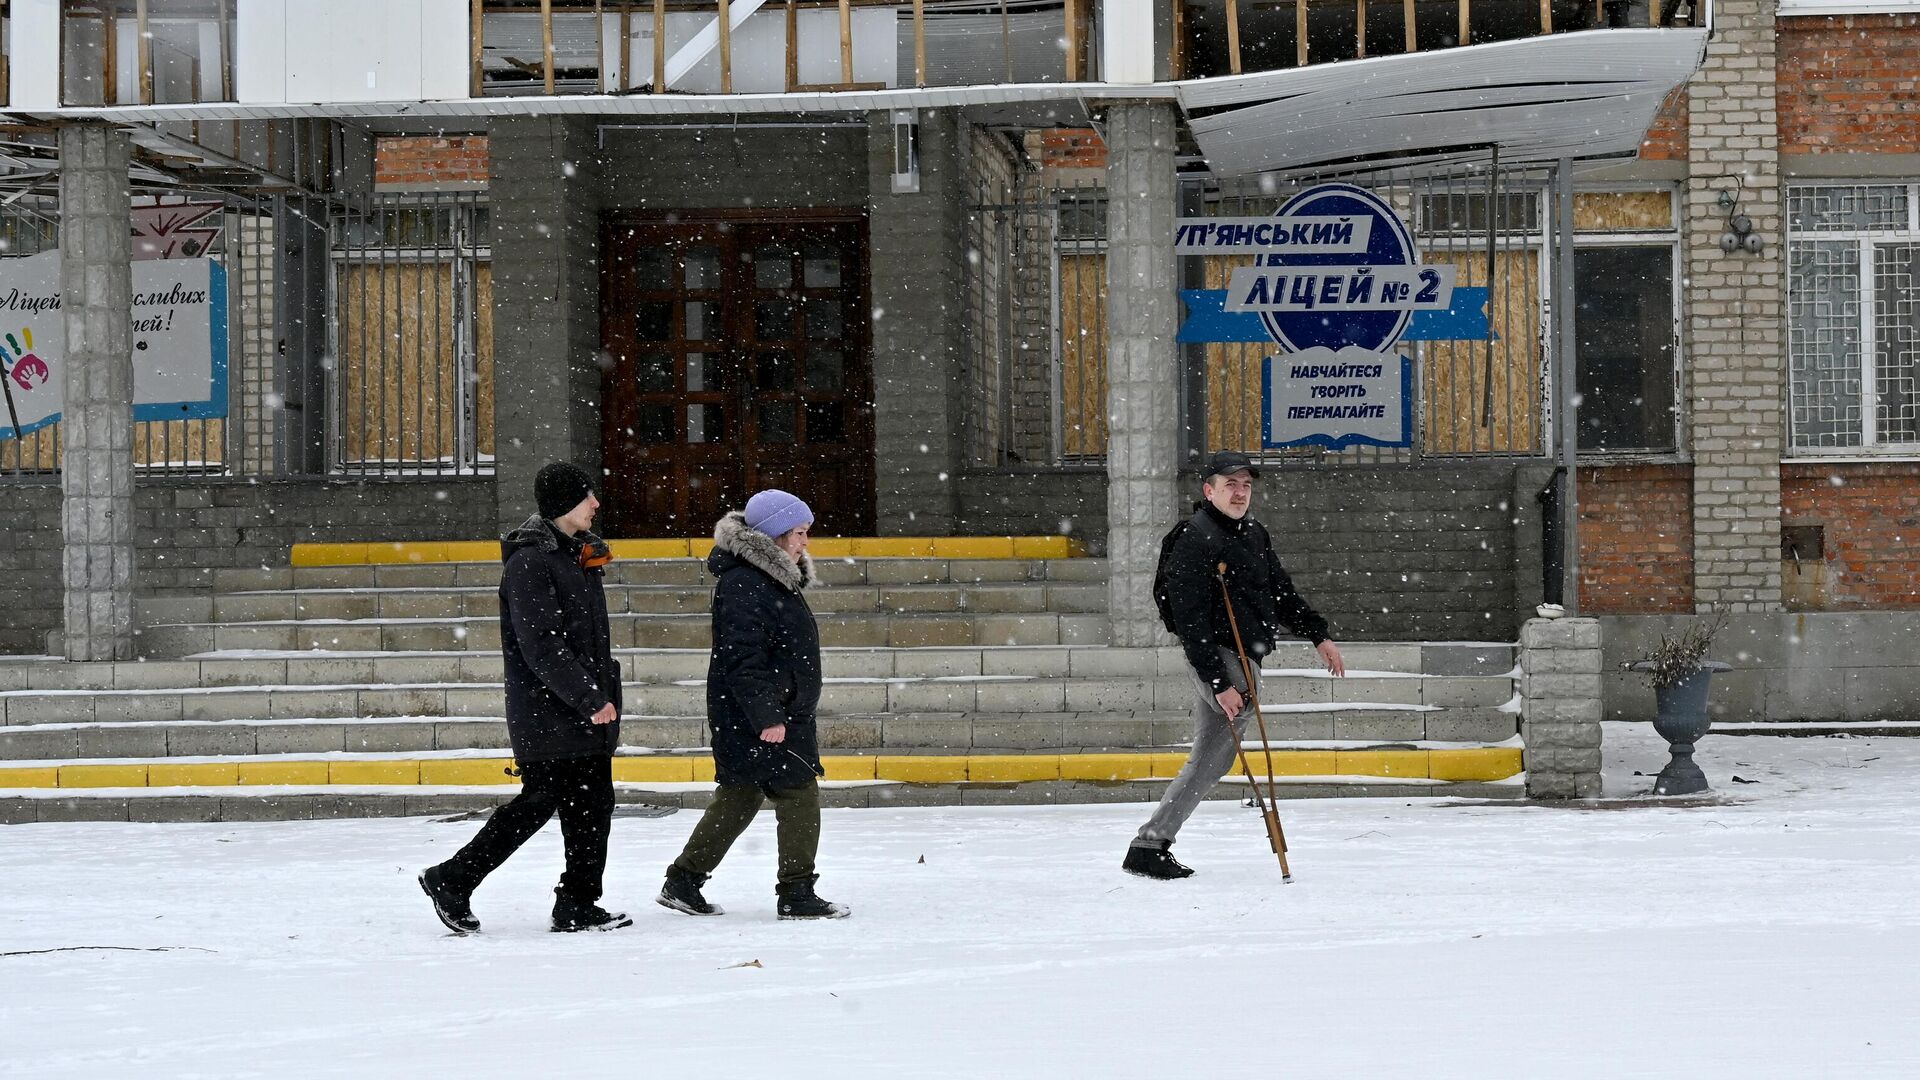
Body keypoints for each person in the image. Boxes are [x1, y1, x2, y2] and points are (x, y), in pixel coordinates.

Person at [419, 461, 630, 933]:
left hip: (583, 710)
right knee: (538, 802)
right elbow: (542, 646)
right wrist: (588, 697)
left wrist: (599, 695)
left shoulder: (577, 557)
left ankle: (578, 903)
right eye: (586, 497)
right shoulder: (531, 563)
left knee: (594, 806)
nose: (596, 504)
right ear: (562, 505)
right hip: (551, 712)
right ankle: (451, 879)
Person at [1125, 450, 1347, 880]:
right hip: (1222, 658)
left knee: (1211, 759)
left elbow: (1280, 591)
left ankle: (1150, 844)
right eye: (1230, 485)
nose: (1240, 492)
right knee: (1212, 758)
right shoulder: (1194, 537)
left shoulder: (1254, 534)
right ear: (1209, 490)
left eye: (1246, 485)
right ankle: (1150, 844)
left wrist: (1318, 634)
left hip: (1245, 655)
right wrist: (1218, 680)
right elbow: (1188, 619)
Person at [656, 489, 849, 921]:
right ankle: (797, 892)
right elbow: (742, 656)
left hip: (765, 710)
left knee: (740, 794)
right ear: (776, 535)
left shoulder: (768, 577)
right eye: (799, 533)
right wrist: (768, 716)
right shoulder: (748, 582)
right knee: (798, 792)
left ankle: (683, 881)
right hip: (761, 713)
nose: (805, 542)